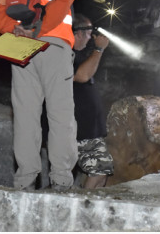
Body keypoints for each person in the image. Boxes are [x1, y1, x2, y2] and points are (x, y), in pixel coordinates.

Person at [0, 0, 79, 190]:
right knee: (60, 114)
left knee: (26, 114)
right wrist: (39, 30)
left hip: (20, 46)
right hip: (52, 44)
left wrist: (15, 32)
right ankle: (62, 180)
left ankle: (25, 180)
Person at [63, 14, 114, 188]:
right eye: (88, 33)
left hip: (88, 131)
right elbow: (81, 76)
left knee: (101, 172)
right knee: (99, 170)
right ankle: (82, 208)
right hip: (79, 131)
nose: (92, 37)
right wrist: (98, 50)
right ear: (77, 33)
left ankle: (89, 208)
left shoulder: (77, 55)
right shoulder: (64, 54)